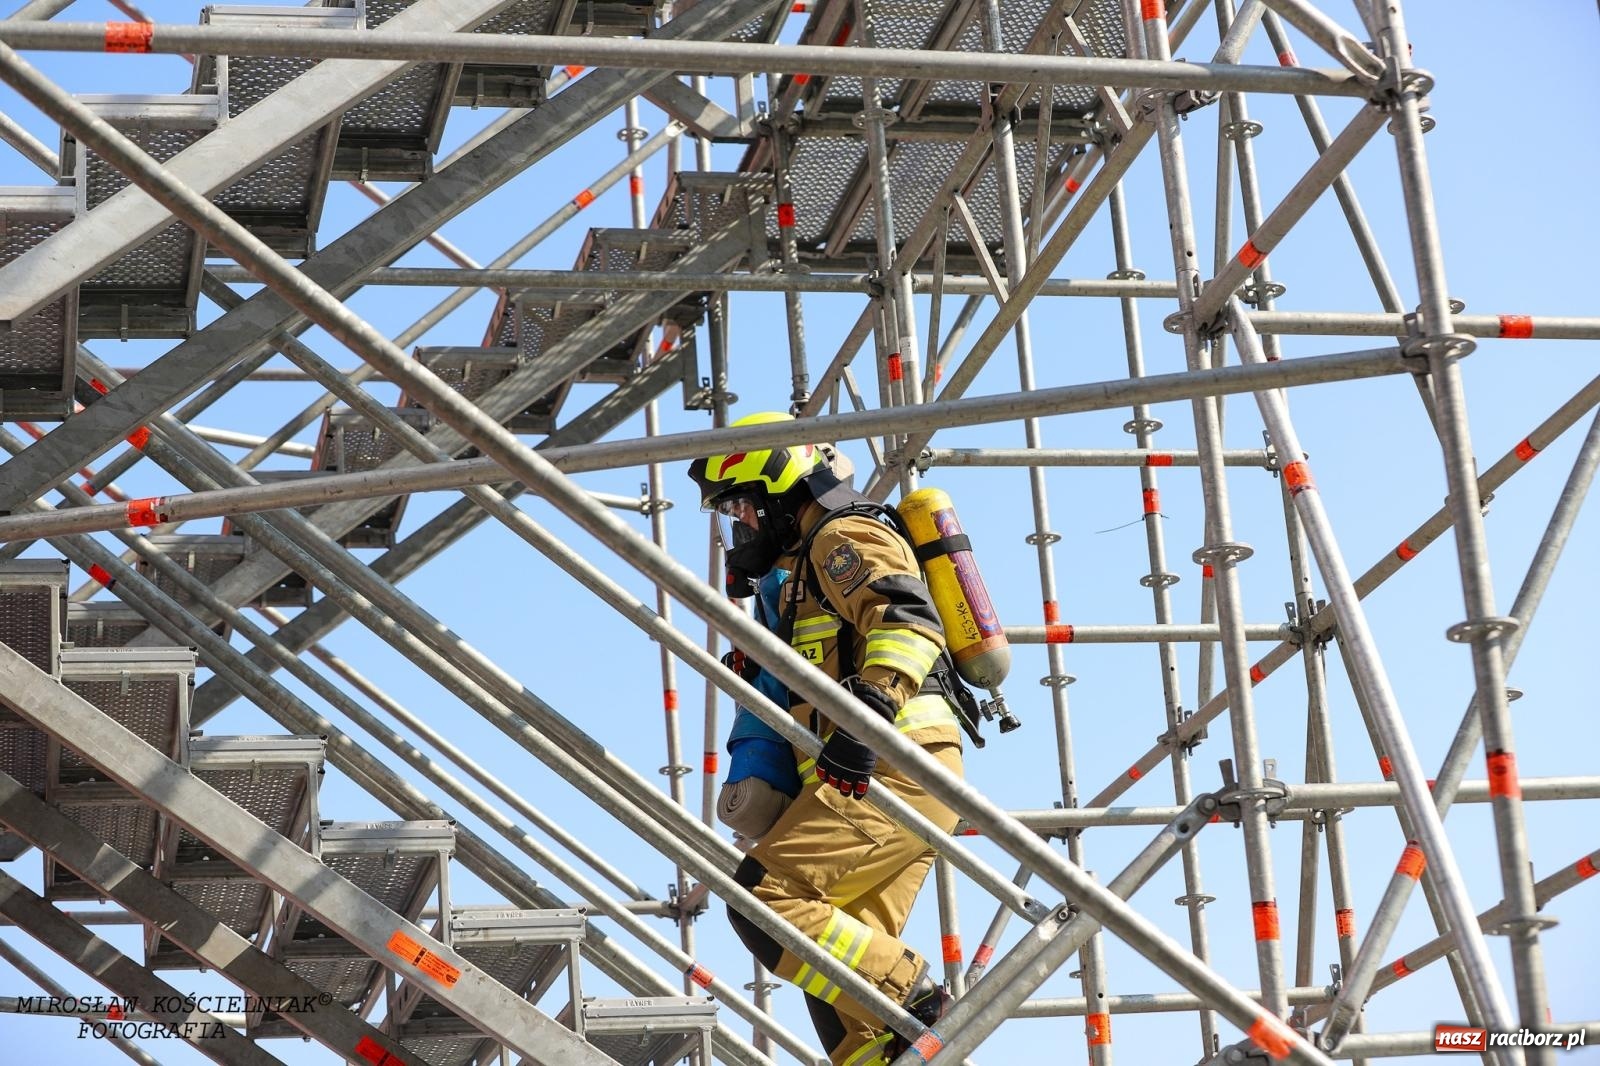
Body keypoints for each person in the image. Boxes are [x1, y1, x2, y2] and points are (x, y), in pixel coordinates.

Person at [689, 412, 962, 1066]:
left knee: (764, 905)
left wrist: (867, 714)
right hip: (858, 775)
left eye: (744, 508)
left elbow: (907, 620)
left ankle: (921, 1003)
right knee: (843, 1001)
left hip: (894, 762)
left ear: (783, 493)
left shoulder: (841, 538)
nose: (740, 528)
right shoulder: (798, 581)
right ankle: (891, 1039)